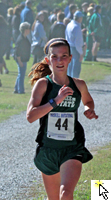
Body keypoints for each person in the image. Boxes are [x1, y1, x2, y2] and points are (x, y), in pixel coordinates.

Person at [27, 38, 98, 200]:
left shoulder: (79, 85)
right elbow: (30, 116)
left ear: (70, 58)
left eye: (64, 56)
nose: (60, 60)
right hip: (48, 149)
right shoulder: (43, 85)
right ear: (48, 60)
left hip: (72, 148)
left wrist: (89, 109)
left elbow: (88, 100)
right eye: (55, 56)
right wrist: (55, 101)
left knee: (65, 194)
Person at [65, 11, 85, 78]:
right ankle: (75, 82)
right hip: (75, 49)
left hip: (69, 47)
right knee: (76, 67)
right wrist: (81, 53)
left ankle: (69, 81)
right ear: (79, 18)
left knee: (70, 66)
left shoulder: (69, 24)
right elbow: (78, 43)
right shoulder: (77, 27)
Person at [13, 22, 31, 94]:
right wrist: (19, 61)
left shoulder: (25, 38)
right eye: (28, 28)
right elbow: (17, 51)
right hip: (21, 59)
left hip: (23, 59)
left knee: (20, 74)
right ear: (25, 30)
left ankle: (16, 89)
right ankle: (21, 90)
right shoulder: (20, 39)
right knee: (21, 75)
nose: (29, 30)